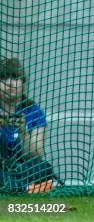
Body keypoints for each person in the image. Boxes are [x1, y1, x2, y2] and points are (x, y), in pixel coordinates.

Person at [0, 58, 56, 194]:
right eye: (3, 78)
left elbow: (36, 156)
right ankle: (27, 188)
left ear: (23, 83)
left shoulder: (34, 111)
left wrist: (23, 133)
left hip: (22, 168)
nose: (9, 83)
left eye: (14, 78)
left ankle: (12, 186)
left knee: (43, 168)